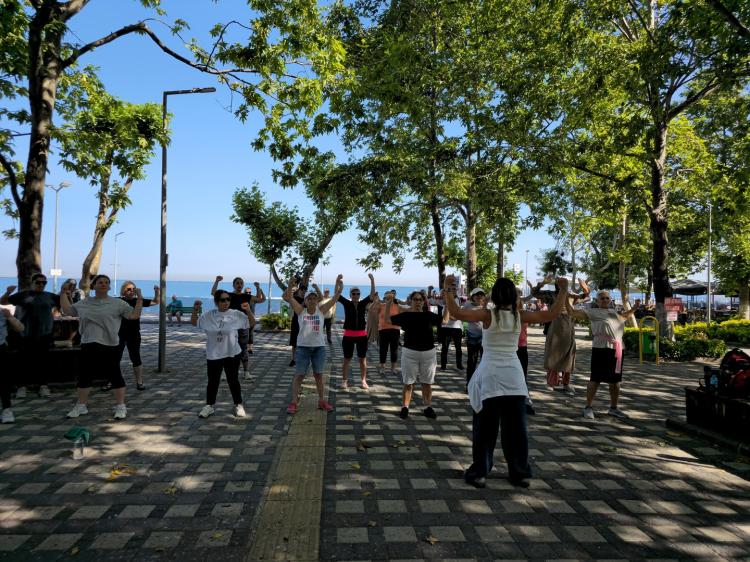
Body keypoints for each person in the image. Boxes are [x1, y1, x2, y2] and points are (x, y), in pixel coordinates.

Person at [443, 274, 569, 488]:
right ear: (514, 296)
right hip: (514, 377)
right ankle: (520, 473)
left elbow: (455, 312)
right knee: (517, 429)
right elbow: (554, 313)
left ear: (494, 295)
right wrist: (563, 289)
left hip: (490, 377)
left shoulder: (487, 315)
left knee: (485, 428)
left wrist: (448, 288)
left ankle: (480, 472)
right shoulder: (520, 316)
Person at [61, 275, 143, 420]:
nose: (103, 284)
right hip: (88, 343)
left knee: (114, 375)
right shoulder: (84, 303)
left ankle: (121, 406)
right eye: (100, 282)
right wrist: (63, 293)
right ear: (94, 286)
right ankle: (81, 406)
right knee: (85, 376)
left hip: (110, 344)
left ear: (110, 286)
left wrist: (140, 298)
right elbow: (68, 311)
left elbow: (134, 315)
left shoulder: (117, 303)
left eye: (106, 283)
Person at [566, 291, 640, 420]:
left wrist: (635, 307)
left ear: (610, 299)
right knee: (595, 378)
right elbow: (571, 312)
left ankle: (614, 408)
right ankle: (588, 407)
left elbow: (624, 317)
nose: (605, 300)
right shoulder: (594, 312)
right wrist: (566, 297)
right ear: (597, 301)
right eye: (602, 298)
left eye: (607, 298)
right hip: (601, 348)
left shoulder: (613, 313)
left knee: (615, 380)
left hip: (617, 349)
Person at [384, 290, 449, 420]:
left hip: (428, 353)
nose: (418, 302)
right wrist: (388, 305)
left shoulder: (429, 315)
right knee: (408, 383)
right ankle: (405, 407)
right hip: (410, 352)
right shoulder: (406, 315)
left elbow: (445, 320)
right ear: (411, 301)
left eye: (420, 299)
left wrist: (447, 303)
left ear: (424, 301)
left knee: (426, 382)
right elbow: (387, 320)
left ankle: (427, 407)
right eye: (415, 299)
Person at [191, 289, 256, 418]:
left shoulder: (236, 314)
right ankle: (209, 406)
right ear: (216, 302)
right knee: (213, 381)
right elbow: (194, 322)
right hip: (214, 353)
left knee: (233, 380)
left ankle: (238, 405)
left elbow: (252, 323)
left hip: (232, 353)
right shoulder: (209, 315)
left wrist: (248, 311)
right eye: (223, 300)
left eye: (228, 299)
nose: (226, 302)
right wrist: (195, 309)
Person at [283, 275, 343, 414]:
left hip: (319, 348)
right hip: (303, 348)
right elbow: (290, 298)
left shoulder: (321, 310)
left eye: (314, 298)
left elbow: (334, 299)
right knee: (299, 376)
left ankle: (322, 401)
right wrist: (290, 286)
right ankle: (294, 402)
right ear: (305, 301)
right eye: (309, 298)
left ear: (317, 300)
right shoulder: (301, 311)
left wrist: (339, 288)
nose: (312, 300)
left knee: (319, 376)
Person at [1, 274, 61, 398]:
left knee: (43, 361)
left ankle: (43, 385)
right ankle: (21, 387)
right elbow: (3, 302)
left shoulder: (50, 296)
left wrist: (66, 294)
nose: (41, 285)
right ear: (32, 283)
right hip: (25, 333)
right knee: (23, 361)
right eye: (38, 282)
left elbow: (66, 304)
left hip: (45, 333)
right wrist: (8, 292)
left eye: (44, 282)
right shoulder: (23, 295)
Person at [530, 276, 591, 395]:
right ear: (557, 285)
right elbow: (534, 293)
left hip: (568, 329)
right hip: (555, 327)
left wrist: (585, 289)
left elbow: (586, 298)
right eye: (560, 282)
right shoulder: (551, 295)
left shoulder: (571, 296)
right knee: (553, 354)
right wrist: (542, 283)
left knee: (568, 355)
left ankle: (566, 383)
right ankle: (551, 382)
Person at [211, 276, 266, 379]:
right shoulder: (229, 296)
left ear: (243, 285)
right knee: (225, 347)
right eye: (237, 283)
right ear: (234, 285)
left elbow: (260, 299)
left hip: (242, 326)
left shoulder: (246, 297)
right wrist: (217, 281)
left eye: (241, 283)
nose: (239, 285)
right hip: (229, 326)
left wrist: (258, 288)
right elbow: (214, 293)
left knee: (243, 348)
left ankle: (246, 372)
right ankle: (224, 372)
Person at [115, 282, 159, 391]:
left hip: (133, 332)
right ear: (123, 290)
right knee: (115, 357)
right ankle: (112, 381)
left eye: (133, 289)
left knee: (135, 357)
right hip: (118, 332)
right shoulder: (117, 301)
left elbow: (155, 301)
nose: (132, 291)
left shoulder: (138, 300)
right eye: (129, 289)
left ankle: (139, 381)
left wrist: (156, 292)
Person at [338, 274, 376, 389]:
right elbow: (336, 294)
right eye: (353, 294)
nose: (355, 295)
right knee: (347, 359)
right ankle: (344, 381)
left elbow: (372, 293)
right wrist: (337, 281)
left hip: (361, 336)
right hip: (348, 335)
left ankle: (363, 381)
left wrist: (372, 280)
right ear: (350, 295)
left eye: (357, 294)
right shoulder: (347, 303)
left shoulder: (362, 304)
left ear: (360, 295)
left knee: (362, 359)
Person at [368, 290, 405, 376]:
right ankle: (383, 367)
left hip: (395, 330)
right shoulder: (381, 306)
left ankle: (393, 367)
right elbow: (370, 310)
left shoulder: (396, 306)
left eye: (390, 298)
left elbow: (407, 311)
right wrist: (375, 302)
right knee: (383, 349)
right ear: (384, 299)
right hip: (383, 330)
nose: (388, 300)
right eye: (387, 298)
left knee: (394, 349)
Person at [429, 282, 464, 371]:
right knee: (444, 347)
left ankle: (459, 365)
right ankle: (443, 365)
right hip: (446, 327)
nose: (453, 291)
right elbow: (430, 301)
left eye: (454, 289)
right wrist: (429, 291)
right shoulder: (444, 300)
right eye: (450, 289)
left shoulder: (459, 300)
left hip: (457, 327)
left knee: (458, 347)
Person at [0, 307, 24, 423]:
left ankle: (7, 409)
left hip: (0, 349)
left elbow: (20, 327)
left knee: (3, 380)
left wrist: (9, 317)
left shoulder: (3, 312)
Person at [462, 288, 487, 384]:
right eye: (477, 295)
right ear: (473, 297)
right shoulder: (468, 306)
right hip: (472, 337)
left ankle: (483, 384)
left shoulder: (487, 307)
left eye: (481, 295)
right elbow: (458, 315)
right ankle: (470, 385)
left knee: (485, 362)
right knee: (472, 361)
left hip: (485, 338)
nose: (479, 297)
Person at [242, 284, 266, 355]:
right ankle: (243, 348)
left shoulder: (252, 300)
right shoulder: (241, 299)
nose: (248, 294)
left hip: (251, 319)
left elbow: (263, 299)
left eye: (249, 292)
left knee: (250, 334)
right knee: (243, 334)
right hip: (242, 319)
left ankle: (250, 349)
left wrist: (261, 292)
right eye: (246, 292)